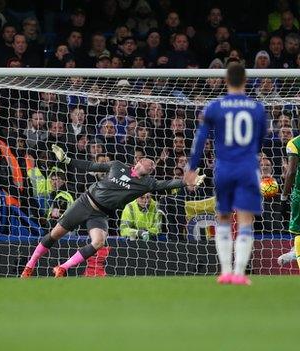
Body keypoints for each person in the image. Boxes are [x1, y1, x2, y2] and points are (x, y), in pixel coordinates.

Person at [21, 144, 204, 278]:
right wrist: (67, 160)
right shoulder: (117, 166)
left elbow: (168, 183)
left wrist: (187, 181)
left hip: (100, 214)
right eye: (150, 163)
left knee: (99, 242)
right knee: (54, 235)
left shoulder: (147, 183)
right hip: (85, 202)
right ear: (139, 162)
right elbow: (92, 166)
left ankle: (62, 268)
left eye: (153, 166)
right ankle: (29, 266)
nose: (152, 166)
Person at [186, 63, 268, 286]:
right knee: (245, 219)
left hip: (223, 167)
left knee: (222, 216)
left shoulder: (215, 106)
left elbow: (200, 139)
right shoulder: (257, 107)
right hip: (247, 167)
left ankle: (225, 271)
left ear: (225, 80)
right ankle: (240, 274)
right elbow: (261, 139)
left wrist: (192, 167)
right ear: (245, 80)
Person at [278, 130, 300, 267]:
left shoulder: (294, 143)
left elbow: (291, 172)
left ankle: (296, 250)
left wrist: (283, 197)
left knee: (298, 232)